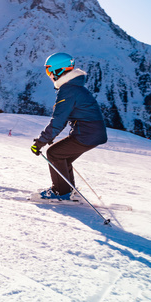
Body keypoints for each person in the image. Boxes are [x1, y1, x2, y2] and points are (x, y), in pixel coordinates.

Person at [30, 52, 108, 200]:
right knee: (63, 157)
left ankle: (61, 192)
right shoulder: (74, 87)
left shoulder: (68, 90)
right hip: (92, 134)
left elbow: (58, 121)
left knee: (54, 154)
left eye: (49, 71)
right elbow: (65, 119)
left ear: (58, 70)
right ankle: (68, 190)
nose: (49, 75)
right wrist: (48, 137)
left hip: (87, 135)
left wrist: (41, 142)